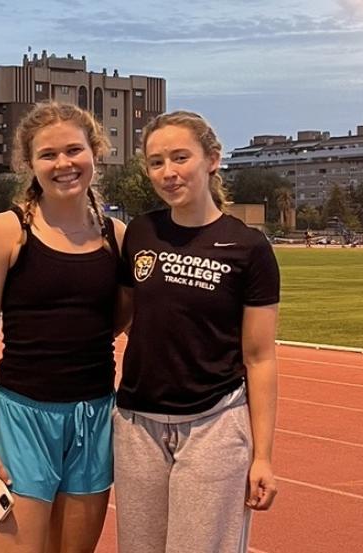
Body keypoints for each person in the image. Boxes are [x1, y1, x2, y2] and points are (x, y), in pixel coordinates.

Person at [0, 101, 124, 553]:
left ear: (96, 151)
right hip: (21, 420)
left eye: (74, 150)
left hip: (93, 422)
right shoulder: (5, 231)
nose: (63, 164)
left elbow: (116, 322)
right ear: (28, 164)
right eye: (48, 155)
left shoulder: (117, 236)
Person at [115, 111, 280, 553]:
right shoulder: (141, 233)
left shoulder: (249, 247)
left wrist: (262, 455)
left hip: (214, 423)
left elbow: (260, 357)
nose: (167, 173)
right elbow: (124, 317)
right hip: (137, 425)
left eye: (179, 157)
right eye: (155, 162)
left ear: (212, 159)